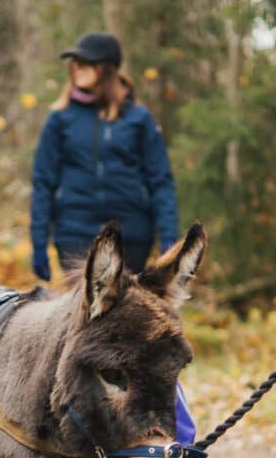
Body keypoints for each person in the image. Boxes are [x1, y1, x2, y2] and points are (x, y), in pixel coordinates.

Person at [30, 30, 179, 281]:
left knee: (126, 316)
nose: (77, 67)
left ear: (107, 68)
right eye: (75, 62)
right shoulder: (60, 119)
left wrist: (169, 241)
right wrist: (38, 244)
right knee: (84, 318)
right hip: (75, 236)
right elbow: (43, 183)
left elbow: (160, 182)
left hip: (131, 237)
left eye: (86, 62)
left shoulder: (138, 118)